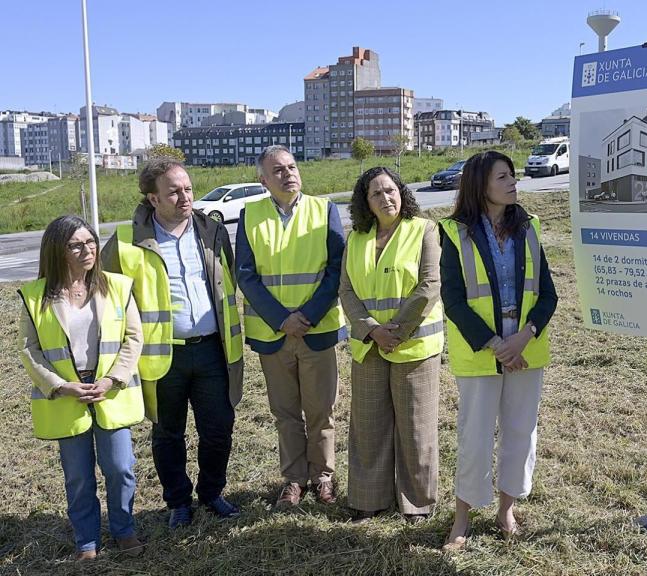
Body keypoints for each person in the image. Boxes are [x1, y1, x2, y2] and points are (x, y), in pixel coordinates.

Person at [101, 158, 244, 529]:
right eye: (174, 191)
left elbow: (224, 279)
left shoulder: (212, 230)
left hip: (214, 349)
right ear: (152, 198)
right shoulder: (127, 241)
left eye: (188, 188)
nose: (185, 197)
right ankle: (178, 502)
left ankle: (212, 493)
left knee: (218, 427)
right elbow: (105, 296)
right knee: (168, 433)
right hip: (163, 355)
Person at [439, 151, 558, 550]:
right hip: (480, 353)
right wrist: (498, 347)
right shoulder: (454, 231)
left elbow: (548, 294)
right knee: (474, 438)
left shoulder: (530, 226)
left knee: (520, 432)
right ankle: (461, 520)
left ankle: (507, 508)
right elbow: (453, 300)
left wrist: (523, 337)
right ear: (481, 185)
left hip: (526, 348)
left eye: (513, 175)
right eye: (503, 176)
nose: (514, 181)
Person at [20, 215, 144, 560]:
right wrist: (61, 386)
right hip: (67, 396)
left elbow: (134, 337)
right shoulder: (35, 297)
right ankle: (86, 542)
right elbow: (29, 350)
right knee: (78, 476)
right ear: (57, 251)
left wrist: (112, 378)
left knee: (121, 468)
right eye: (76, 244)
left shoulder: (118, 286)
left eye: (90, 242)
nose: (87, 249)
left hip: (110, 391)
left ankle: (123, 530)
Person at [236, 145, 346, 507]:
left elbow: (336, 270)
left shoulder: (323, 209)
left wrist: (308, 315)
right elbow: (246, 276)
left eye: (292, 166)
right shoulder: (249, 215)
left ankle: (324, 477)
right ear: (263, 179)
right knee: (285, 413)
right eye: (278, 170)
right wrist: (281, 319)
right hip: (274, 335)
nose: (288, 174)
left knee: (321, 411)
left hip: (316, 331)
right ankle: (294, 480)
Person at [339, 166, 443, 524]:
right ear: (365, 202)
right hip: (369, 346)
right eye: (376, 193)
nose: (386, 198)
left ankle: (417, 502)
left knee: (416, 428)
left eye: (391, 190)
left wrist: (396, 331)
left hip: (413, 347)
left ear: (402, 192)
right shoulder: (356, 237)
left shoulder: (424, 229)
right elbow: (347, 290)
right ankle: (369, 499)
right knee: (369, 426)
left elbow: (429, 284)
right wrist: (372, 329)